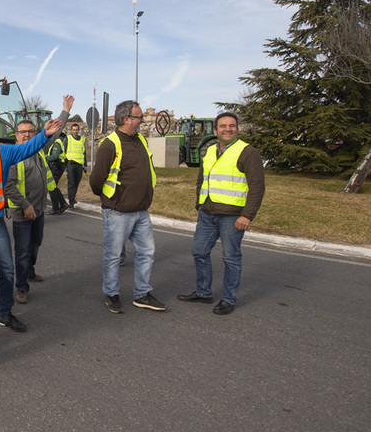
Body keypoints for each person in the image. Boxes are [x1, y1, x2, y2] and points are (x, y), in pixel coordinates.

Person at [0, 96, 71, 333]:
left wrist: (51, 127)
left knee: (7, 267)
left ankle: (5, 312)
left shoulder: (2, 152)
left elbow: (34, 144)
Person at [178, 112, 265, 315]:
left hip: (233, 216)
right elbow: (202, 180)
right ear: (215, 130)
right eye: (223, 126)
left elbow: (257, 186)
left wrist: (247, 215)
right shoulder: (209, 151)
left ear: (237, 129)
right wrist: (199, 204)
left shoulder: (247, 152)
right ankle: (204, 292)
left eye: (232, 126)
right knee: (199, 251)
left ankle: (228, 298)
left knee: (231, 258)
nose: (228, 129)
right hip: (208, 213)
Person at [89, 100, 166, 314]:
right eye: (138, 117)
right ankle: (111, 294)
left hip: (141, 211)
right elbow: (96, 180)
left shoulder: (140, 139)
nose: (141, 120)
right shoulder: (110, 144)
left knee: (147, 252)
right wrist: (110, 199)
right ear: (126, 119)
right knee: (113, 255)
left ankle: (142, 293)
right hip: (118, 212)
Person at [4, 119, 59, 304]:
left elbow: (55, 132)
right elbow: (8, 186)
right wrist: (25, 206)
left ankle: (30, 271)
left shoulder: (38, 152)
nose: (27, 134)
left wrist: (66, 111)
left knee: (35, 244)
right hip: (22, 212)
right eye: (23, 132)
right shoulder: (13, 156)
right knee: (22, 251)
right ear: (16, 135)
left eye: (30, 131)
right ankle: (21, 287)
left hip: (39, 209)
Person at [64, 122, 87, 208]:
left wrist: (85, 164)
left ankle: (73, 197)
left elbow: (84, 153)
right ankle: (71, 201)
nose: (75, 131)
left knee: (77, 183)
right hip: (70, 164)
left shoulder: (82, 140)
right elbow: (64, 150)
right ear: (71, 130)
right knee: (71, 183)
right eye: (74, 130)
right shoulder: (68, 138)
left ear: (79, 130)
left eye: (77, 130)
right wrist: (64, 163)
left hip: (79, 165)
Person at [45, 135, 68, 214]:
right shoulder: (58, 143)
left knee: (52, 187)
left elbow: (55, 156)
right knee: (53, 186)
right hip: (58, 166)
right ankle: (63, 204)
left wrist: (45, 158)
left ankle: (55, 208)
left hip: (56, 166)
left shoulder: (57, 143)